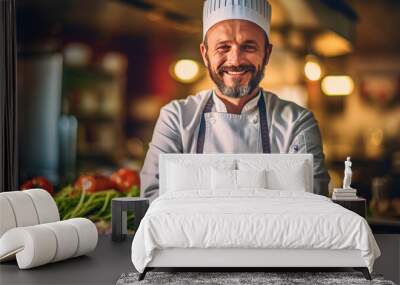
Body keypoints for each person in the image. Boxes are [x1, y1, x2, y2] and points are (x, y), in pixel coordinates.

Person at [140, 0, 330, 202]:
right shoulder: (176, 119)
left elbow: (313, 203)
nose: (235, 60)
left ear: (266, 54)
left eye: (248, 47)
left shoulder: (296, 122)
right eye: (223, 47)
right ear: (205, 54)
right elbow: (153, 201)